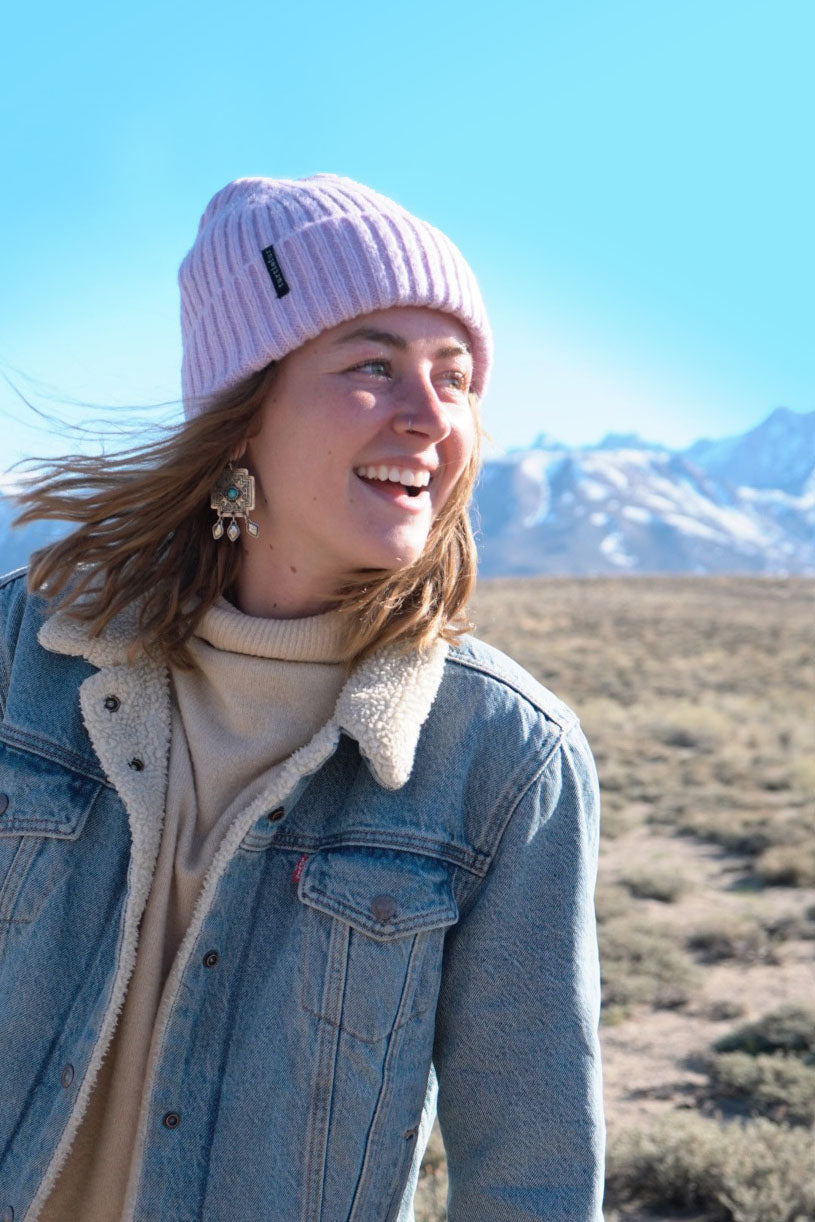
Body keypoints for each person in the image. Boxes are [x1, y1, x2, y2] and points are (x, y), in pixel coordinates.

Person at [0, 174, 605, 1221]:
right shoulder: (22, 652)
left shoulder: (503, 758)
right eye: (372, 366)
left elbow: (532, 1181)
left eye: (454, 377)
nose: (429, 417)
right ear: (242, 415)